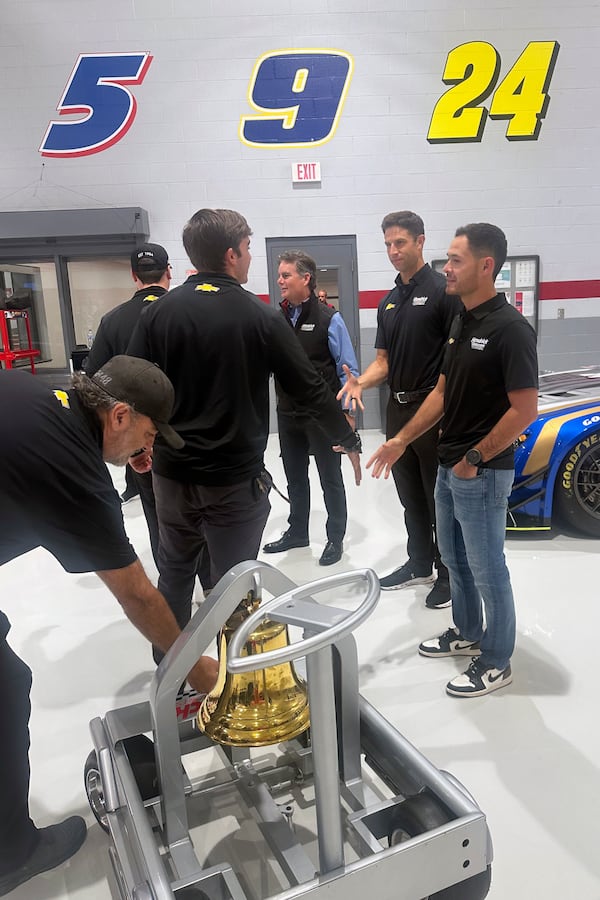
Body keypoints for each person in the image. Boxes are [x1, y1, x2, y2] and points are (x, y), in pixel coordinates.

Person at [0, 356, 218, 897]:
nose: (150, 450)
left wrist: (125, 454)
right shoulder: (72, 466)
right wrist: (196, 666)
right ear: (118, 415)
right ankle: (10, 853)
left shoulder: (39, 393)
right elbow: (138, 595)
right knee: (5, 690)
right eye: (147, 434)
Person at [127, 208, 361, 640]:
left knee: (175, 573)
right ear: (232, 255)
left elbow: (132, 386)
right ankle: (231, 687)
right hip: (232, 482)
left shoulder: (159, 314)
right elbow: (309, 387)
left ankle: (174, 677)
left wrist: (138, 448)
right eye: (250, 248)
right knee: (232, 585)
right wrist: (347, 437)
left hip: (172, 477)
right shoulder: (260, 316)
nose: (253, 257)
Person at [367, 223, 538, 697]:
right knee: (455, 559)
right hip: (449, 463)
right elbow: (442, 393)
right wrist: (401, 439)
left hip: (480, 471)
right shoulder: (461, 320)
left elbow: (524, 410)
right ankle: (466, 630)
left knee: (487, 567)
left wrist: (475, 457)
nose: (447, 268)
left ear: (486, 266)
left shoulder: (511, 330)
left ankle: (497, 659)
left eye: (456, 260)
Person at [338, 211, 461, 608]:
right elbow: (384, 363)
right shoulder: (389, 302)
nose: (393, 251)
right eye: (388, 244)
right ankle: (420, 562)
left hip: (434, 412)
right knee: (410, 496)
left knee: (439, 498)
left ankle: (448, 574)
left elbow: (454, 366)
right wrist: (360, 381)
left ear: (420, 241)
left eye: (400, 243)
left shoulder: (445, 293)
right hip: (398, 409)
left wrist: (449, 416)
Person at [85, 243, 212, 592]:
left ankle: (173, 590)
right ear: (168, 271)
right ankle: (213, 589)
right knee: (200, 513)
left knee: (160, 517)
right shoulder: (189, 314)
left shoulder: (112, 321)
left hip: (140, 443)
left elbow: (95, 386)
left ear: (133, 275)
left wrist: (134, 448)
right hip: (191, 439)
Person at [263, 250, 359, 566]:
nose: (280, 281)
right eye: (279, 275)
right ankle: (298, 531)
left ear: (306, 278)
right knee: (295, 477)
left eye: (286, 275)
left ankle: (335, 538)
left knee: (330, 477)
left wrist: (347, 416)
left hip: (323, 415)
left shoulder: (330, 319)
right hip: (288, 414)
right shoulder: (276, 320)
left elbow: (349, 371)